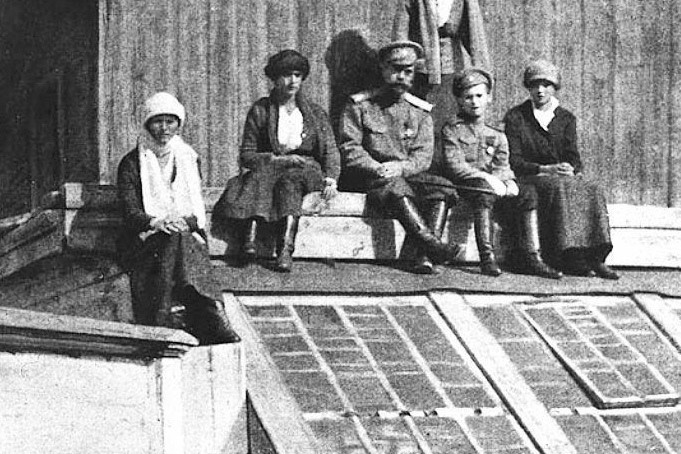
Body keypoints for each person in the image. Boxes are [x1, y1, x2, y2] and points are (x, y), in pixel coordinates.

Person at [115, 92, 240, 343]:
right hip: (144, 240)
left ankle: (167, 314)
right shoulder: (132, 163)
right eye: (157, 121)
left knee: (179, 237)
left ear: (178, 124)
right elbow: (130, 212)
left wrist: (183, 222)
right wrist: (157, 222)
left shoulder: (187, 158)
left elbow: (196, 212)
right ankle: (211, 312)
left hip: (181, 236)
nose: (164, 128)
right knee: (176, 239)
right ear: (147, 124)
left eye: (170, 121)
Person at [338, 41, 462, 275]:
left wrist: (402, 168)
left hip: (405, 176)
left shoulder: (420, 112)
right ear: (383, 68)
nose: (401, 77)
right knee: (395, 185)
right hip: (372, 178)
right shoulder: (360, 106)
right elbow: (349, 147)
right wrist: (376, 167)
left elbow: (422, 156)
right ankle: (434, 246)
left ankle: (424, 257)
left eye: (408, 72)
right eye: (395, 70)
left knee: (442, 187)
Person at [219, 49, 340, 273]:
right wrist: (275, 160)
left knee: (290, 180)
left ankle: (285, 250)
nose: (292, 81)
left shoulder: (314, 113)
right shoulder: (261, 110)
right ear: (275, 79)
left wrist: (331, 178)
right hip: (272, 167)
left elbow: (330, 150)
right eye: (286, 75)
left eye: (297, 75)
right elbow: (247, 155)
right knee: (258, 175)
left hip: (305, 169)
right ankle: (249, 241)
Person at [504, 60, 619, 280]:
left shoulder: (565, 118)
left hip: (558, 177)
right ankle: (567, 255)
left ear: (555, 87)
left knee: (592, 188)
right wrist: (544, 169)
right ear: (528, 87)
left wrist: (571, 168)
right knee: (557, 187)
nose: (540, 90)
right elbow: (515, 161)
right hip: (530, 176)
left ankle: (595, 257)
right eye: (535, 85)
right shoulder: (516, 117)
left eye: (546, 85)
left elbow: (573, 156)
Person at [391, 0, 490, 131]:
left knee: (450, 115)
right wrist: (402, 67)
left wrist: (481, 70)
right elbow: (400, 34)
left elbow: (475, 33)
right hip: (421, 67)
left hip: (453, 64)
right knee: (419, 116)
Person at [440, 69, 519, 277]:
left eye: (479, 96)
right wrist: (487, 178)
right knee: (484, 190)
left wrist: (508, 181)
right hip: (460, 184)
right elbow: (455, 166)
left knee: (524, 194)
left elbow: (502, 165)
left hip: (487, 188)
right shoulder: (452, 129)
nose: (474, 102)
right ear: (459, 100)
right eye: (468, 97)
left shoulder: (497, 133)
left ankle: (528, 255)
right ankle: (487, 258)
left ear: (489, 97)